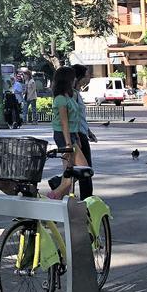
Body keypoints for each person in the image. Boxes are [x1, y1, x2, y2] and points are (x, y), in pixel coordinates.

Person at [47, 67, 90, 200]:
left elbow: (73, 119)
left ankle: (59, 194)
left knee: (70, 170)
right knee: (83, 168)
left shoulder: (69, 96)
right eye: (73, 77)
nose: (75, 80)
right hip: (63, 135)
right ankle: (58, 191)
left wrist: (76, 135)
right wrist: (68, 144)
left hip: (70, 134)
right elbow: (64, 123)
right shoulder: (60, 99)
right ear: (67, 80)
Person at [70, 63, 97, 198]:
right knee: (85, 168)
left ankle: (85, 197)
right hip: (77, 135)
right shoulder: (73, 95)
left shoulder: (77, 93)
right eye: (87, 75)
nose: (89, 77)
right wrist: (76, 136)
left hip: (81, 132)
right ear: (80, 77)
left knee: (80, 168)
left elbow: (79, 117)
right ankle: (86, 198)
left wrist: (88, 131)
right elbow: (72, 117)